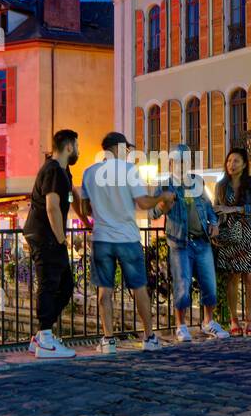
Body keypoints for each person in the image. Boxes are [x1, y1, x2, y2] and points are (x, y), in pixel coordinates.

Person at [75, 131, 169, 353]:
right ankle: (149, 337)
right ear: (118, 148)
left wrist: (98, 215)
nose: (128, 153)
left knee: (104, 291)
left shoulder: (89, 173)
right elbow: (144, 203)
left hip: (101, 238)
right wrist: (162, 197)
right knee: (139, 288)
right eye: (126, 149)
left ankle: (108, 340)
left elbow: (86, 208)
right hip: (127, 238)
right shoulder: (129, 171)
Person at [150, 144, 229, 342]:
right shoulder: (165, 186)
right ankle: (181, 326)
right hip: (179, 243)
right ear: (170, 163)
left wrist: (214, 223)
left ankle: (208, 322)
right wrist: (162, 204)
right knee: (182, 285)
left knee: (209, 284)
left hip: (202, 241)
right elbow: (152, 213)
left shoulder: (198, 182)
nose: (182, 164)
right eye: (178, 161)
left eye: (186, 161)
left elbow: (209, 208)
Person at [23, 129, 81, 359]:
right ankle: (45, 338)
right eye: (76, 146)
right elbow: (52, 206)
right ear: (69, 147)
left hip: (48, 235)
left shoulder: (63, 171)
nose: (78, 150)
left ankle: (41, 334)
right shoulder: (53, 170)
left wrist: (85, 218)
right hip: (46, 235)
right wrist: (60, 237)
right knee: (49, 283)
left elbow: (71, 196)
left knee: (65, 285)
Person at [213, 148, 251, 336]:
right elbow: (216, 209)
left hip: (250, 232)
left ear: (244, 164)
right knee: (233, 276)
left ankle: (249, 319)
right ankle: (234, 320)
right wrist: (216, 225)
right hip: (230, 234)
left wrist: (234, 209)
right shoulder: (221, 186)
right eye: (229, 161)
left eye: (235, 161)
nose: (231, 165)